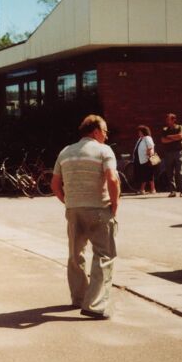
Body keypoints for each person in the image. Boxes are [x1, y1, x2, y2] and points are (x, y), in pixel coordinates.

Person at [50, 114, 120, 320]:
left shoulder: (65, 152)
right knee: (104, 255)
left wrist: (69, 202)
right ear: (96, 131)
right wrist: (115, 203)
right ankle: (95, 305)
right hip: (99, 208)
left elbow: (55, 184)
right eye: (105, 131)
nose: (106, 136)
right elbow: (112, 178)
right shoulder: (104, 150)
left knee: (75, 254)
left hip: (73, 210)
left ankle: (79, 298)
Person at [160, 113, 182, 197]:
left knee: (180, 172)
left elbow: (181, 136)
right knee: (169, 172)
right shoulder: (165, 129)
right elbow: (163, 140)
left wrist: (169, 137)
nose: (167, 121)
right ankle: (172, 191)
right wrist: (175, 138)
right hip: (168, 153)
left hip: (179, 152)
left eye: (168, 119)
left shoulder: (180, 127)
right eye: (166, 119)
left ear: (174, 120)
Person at [133, 125, 156, 195]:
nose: (139, 133)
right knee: (147, 175)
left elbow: (151, 146)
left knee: (146, 174)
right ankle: (152, 189)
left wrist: (148, 154)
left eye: (140, 132)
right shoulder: (140, 139)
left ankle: (143, 189)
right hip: (140, 159)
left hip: (146, 159)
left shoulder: (147, 138)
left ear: (143, 132)